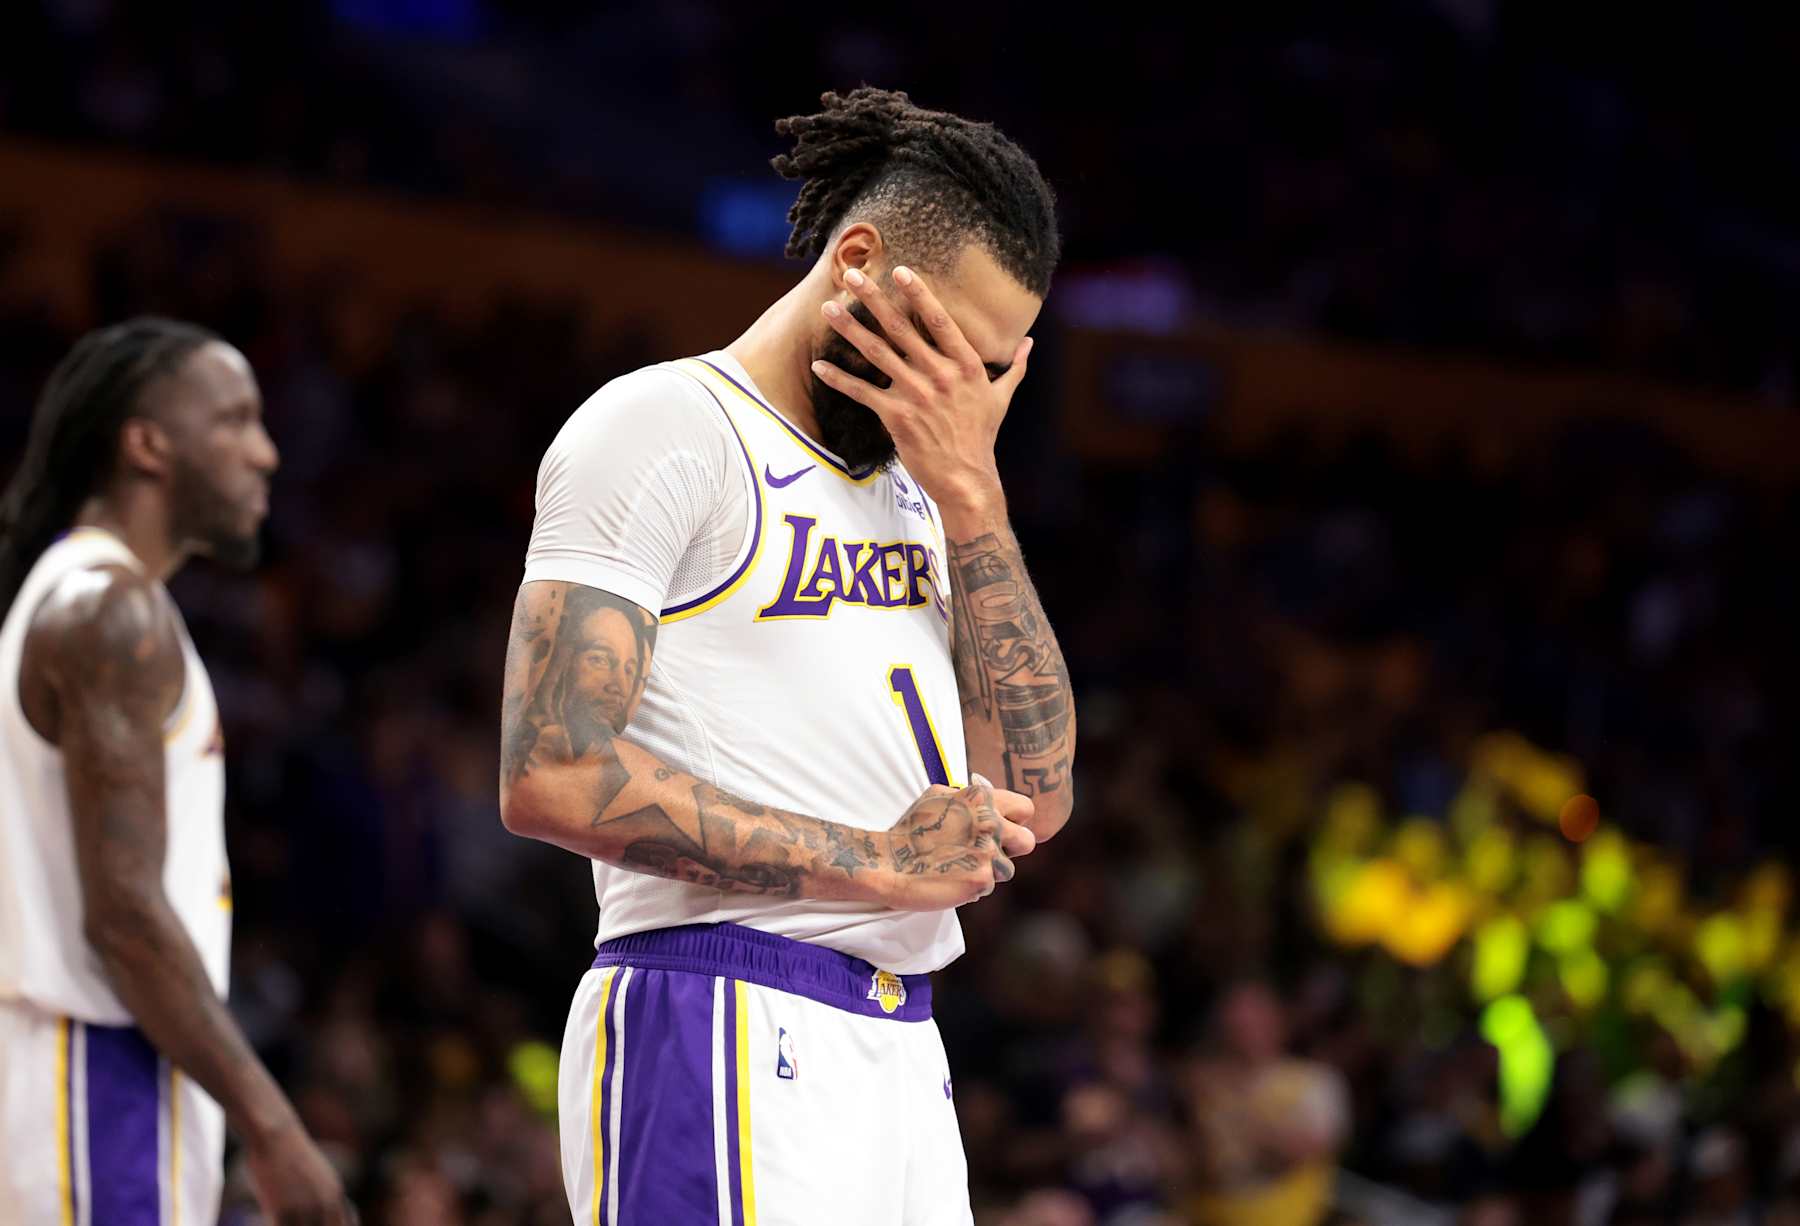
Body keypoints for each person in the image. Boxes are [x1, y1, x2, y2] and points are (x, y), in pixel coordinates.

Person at [498, 88, 1076, 1223]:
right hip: (718, 1001)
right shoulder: (664, 426)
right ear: (857, 260)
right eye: (954, 350)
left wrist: (975, 498)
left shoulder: (927, 487)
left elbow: (1038, 795)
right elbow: (549, 769)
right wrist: (874, 861)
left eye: (997, 373)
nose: (967, 395)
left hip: (903, 1037)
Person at [0, 318, 353, 1224]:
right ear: (147, 443)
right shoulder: (110, 614)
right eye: (235, 421)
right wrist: (273, 1127)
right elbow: (125, 916)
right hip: (91, 1067)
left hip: (95, 1068)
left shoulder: (84, 597)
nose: (266, 454)